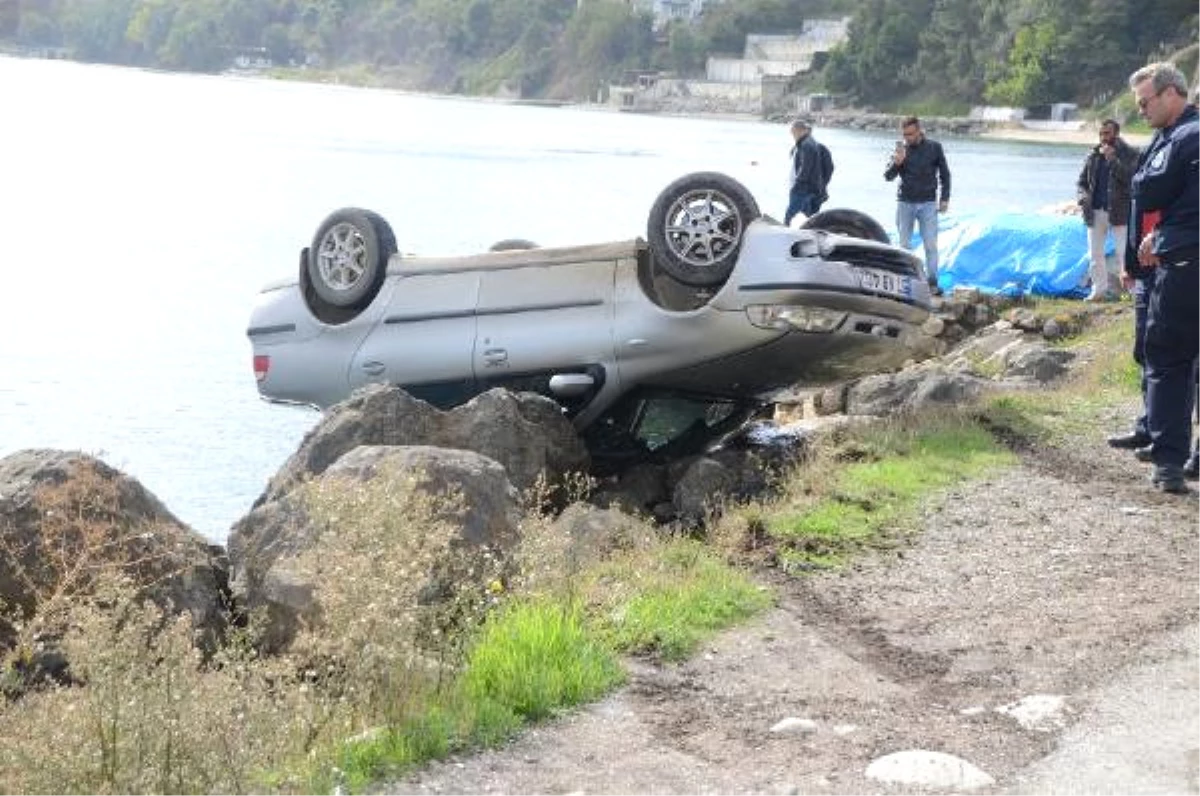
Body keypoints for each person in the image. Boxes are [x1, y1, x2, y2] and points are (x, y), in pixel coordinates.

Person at [1126, 62, 1200, 493]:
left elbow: (1148, 190)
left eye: (1146, 102)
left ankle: (1169, 462)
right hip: (1179, 245)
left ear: (1172, 93)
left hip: (1186, 263)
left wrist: (1163, 231)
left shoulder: (1182, 139)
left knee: (1169, 360)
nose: (1142, 111)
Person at [884, 116, 951, 295]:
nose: (908, 138)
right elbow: (887, 176)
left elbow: (945, 175)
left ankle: (932, 282)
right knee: (904, 244)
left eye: (911, 134)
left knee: (930, 244)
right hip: (905, 202)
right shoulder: (901, 150)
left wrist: (944, 198)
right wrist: (897, 163)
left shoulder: (934, 148)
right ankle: (905, 281)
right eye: (905, 135)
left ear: (919, 130)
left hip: (928, 203)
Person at [1076, 119, 1139, 301]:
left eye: (1107, 134)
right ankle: (1098, 291)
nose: (1103, 138)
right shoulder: (1093, 155)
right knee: (1095, 254)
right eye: (1101, 134)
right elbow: (1081, 182)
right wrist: (1082, 198)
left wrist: (1112, 160)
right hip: (1094, 212)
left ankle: (1133, 292)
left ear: (1116, 134)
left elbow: (1131, 179)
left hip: (1119, 212)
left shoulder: (1129, 153)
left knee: (1124, 253)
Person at [784, 118, 829, 225]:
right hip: (807, 187)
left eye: (793, 131)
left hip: (803, 188)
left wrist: (799, 183)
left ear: (801, 130)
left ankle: (785, 232)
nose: (792, 134)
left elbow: (806, 168)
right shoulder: (803, 143)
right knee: (806, 216)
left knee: (791, 215)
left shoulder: (807, 145)